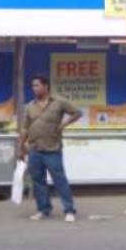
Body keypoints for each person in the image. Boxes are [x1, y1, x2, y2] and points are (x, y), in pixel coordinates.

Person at [18, 74, 82, 222]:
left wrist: (64, 124)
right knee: (38, 182)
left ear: (46, 86)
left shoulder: (59, 102)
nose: (34, 89)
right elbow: (24, 128)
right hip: (34, 149)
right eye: (33, 86)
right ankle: (43, 209)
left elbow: (77, 113)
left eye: (37, 85)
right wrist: (20, 148)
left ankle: (69, 210)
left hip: (52, 149)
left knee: (60, 180)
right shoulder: (30, 106)